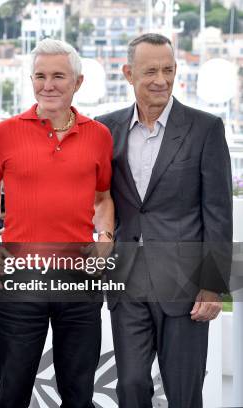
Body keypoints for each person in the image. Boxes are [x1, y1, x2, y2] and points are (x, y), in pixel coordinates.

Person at [95, 33, 232, 408]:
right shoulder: (105, 129)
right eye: (151, 70)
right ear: (128, 73)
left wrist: (212, 286)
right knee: (132, 386)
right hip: (127, 282)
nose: (161, 79)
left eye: (169, 70)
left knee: (184, 394)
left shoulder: (205, 128)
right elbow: (94, 196)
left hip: (186, 286)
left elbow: (218, 213)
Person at [0, 38, 114, 408]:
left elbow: (103, 199)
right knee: (12, 391)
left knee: (78, 392)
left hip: (80, 275)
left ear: (78, 82)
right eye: (40, 76)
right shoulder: (4, 133)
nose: (48, 85)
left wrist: (105, 236)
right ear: (31, 80)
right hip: (21, 275)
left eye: (59, 76)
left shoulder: (99, 136)